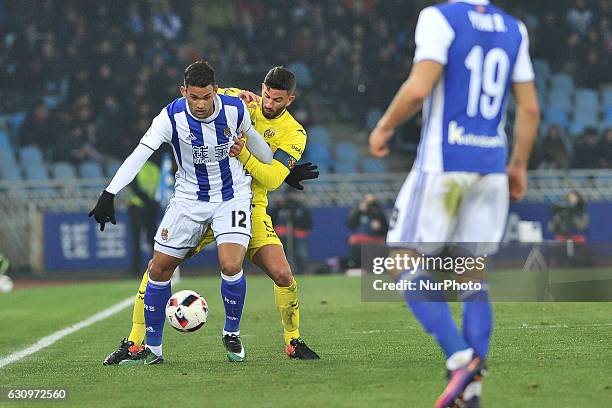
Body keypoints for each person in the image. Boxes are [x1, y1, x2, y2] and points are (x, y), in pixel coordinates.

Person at [369, 1, 539, 407]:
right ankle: (473, 391)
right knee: (471, 275)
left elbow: (419, 87)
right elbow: (529, 108)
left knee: (401, 261)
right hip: (491, 166)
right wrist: (518, 164)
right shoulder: (515, 29)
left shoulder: (439, 18)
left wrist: (385, 126)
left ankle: (459, 357)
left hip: (444, 165)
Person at [102, 66, 320, 365]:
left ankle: (291, 341)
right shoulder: (240, 101)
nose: (269, 104)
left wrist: (274, 168)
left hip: (245, 205)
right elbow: (211, 92)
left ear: (290, 100)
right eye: (266, 95)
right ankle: (137, 343)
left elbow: (270, 178)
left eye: (277, 100)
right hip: (195, 204)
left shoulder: (293, 131)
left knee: (281, 274)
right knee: (158, 266)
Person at [127, 160, 161, 275]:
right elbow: (160, 189)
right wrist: (152, 202)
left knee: (138, 240)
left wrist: (149, 202)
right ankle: (156, 268)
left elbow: (134, 187)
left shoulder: (136, 166)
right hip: (146, 207)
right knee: (152, 239)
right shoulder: (155, 169)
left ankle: (136, 270)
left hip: (139, 207)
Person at [269, 190, 314, 275]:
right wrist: (278, 206)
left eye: (295, 194)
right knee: (281, 255)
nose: (292, 196)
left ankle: (301, 271)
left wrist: (298, 225)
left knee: (300, 253)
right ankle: (280, 272)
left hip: (298, 234)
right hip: (281, 235)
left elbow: (308, 222)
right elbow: (271, 218)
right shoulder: (280, 207)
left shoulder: (302, 208)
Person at [346, 193, 388, 268]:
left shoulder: (379, 213)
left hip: (375, 241)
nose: (369, 205)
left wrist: (380, 227)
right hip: (360, 243)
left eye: (372, 203)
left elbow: (386, 229)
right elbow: (350, 225)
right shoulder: (358, 212)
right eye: (367, 202)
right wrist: (359, 211)